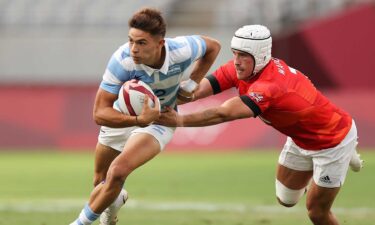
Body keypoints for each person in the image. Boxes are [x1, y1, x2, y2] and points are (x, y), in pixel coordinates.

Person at [156, 25, 363, 225]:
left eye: (243, 55)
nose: (236, 61)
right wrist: (160, 100)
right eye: (234, 53)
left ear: (261, 55)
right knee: (286, 199)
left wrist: (179, 120)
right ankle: (329, 170)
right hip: (301, 139)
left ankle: (345, 151)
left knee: (316, 212)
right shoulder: (243, 68)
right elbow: (197, 91)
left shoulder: (270, 86)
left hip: (332, 140)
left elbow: (223, 113)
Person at [69, 7, 220, 225]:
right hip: (121, 117)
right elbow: (99, 112)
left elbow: (213, 46)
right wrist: (138, 120)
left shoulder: (181, 50)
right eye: (131, 40)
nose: (133, 49)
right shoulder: (122, 60)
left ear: (160, 43)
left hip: (159, 121)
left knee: (118, 172)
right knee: (100, 182)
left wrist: (192, 84)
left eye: (141, 43)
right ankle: (113, 206)